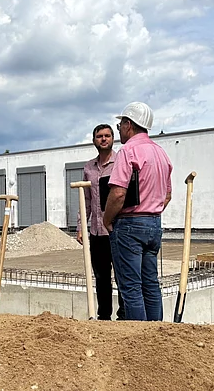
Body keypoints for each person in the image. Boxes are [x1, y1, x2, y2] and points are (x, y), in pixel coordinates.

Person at [103, 102, 173, 321]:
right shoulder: (161, 153)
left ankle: (138, 335)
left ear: (128, 124)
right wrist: (150, 212)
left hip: (129, 226)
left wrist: (107, 220)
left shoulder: (128, 151)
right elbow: (167, 195)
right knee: (150, 284)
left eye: (119, 125)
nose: (119, 130)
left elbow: (118, 194)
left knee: (131, 287)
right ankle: (156, 332)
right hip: (154, 224)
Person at [76, 124, 125, 320]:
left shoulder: (121, 162)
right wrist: (81, 226)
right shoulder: (89, 168)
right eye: (99, 136)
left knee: (122, 275)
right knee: (101, 277)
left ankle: (124, 316)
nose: (103, 139)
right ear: (94, 140)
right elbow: (86, 200)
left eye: (107, 136)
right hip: (97, 233)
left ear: (113, 138)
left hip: (117, 231)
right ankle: (104, 317)